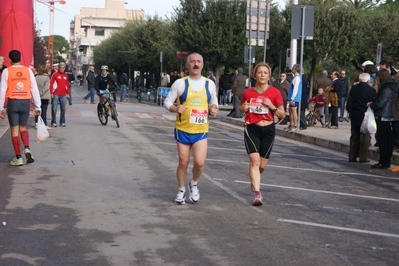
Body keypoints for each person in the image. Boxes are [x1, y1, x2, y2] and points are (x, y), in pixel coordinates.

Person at [163, 52, 218, 205]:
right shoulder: (180, 83)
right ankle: (181, 190)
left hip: (200, 130)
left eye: (198, 61)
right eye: (192, 62)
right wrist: (175, 109)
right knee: (183, 162)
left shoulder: (209, 84)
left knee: (199, 163)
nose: (195, 64)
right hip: (183, 129)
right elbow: (167, 102)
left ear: (202, 65)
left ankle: (193, 183)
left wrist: (214, 109)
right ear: (187, 66)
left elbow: (214, 102)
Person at [239, 62, 285, 206]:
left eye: (265, 72)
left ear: (269, 75)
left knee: (262, 166)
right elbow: (241, 108)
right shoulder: (248, 92)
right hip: (252, 127)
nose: (262, 75)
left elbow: (282, 114)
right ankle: (257, 194)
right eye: (259, 72)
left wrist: (272, 106)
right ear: (255, 75)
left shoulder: (275, 92)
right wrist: (244, 107)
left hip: (268, 129)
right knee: (255, 161)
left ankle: (255, 177)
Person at [0, 50, 41, 166]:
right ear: (20, 58)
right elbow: (34, 89)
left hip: (13, 102)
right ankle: (27, 148)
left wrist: (0, 108)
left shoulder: (6, 71)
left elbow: (2, 90)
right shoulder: (28, 71)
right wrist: (38, 106)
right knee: (23, 127)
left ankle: (18, 157)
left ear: (9, 59)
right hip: (25, 102)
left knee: (14, 129)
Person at [368, 69, 399, 169]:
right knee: (387, 138)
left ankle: (384, 161)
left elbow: (381, 102)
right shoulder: (393, 86)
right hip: (388, 113)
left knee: (384, 139)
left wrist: (372, 105)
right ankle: (385, 160)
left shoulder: (386, 88)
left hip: (383, 114)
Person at [346, 73, 376, 163]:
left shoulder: (354, 88)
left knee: (354, 136)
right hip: (365, 115)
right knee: (364, 137)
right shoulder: (371, 90)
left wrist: (349, 110)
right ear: (368, 80)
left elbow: (349, 101)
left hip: (354, 114)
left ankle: (352, 156)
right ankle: (363, 157)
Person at [50, 62, 69, 127]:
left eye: (63, 68)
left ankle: (62, 121)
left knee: (63, 108)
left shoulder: (66, 75)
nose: (61, 69)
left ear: (64, 68)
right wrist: (51, 93)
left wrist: (67, 93)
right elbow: (51, 83)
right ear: (58, 68)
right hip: (56, 94)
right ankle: (53, 122)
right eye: (60, 68)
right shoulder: (55, 74)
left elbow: (67, 85)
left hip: (63, 94)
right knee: (54, 108)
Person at [35, 65, 52, 129]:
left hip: (37, 96)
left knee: (38, 109)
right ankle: (44, 124)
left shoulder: (36, 77)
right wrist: (41, 93)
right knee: (44, 111)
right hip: (44, 97)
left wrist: (37, 94)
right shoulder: (47, 78)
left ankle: (36, 123)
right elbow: (46, 87)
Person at [286, 64, 302, 132]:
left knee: (293, 111)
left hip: (294, 98)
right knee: (291, 111)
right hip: (291, 97)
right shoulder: (294, 77)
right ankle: (291, 124)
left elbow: (295, 89)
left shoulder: (297, 78)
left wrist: (292, 98)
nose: (292, 69)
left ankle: (295, 125)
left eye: (293, 68)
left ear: (295, 69)